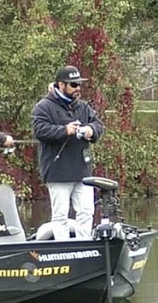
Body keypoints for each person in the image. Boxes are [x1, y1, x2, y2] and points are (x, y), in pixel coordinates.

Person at [32, 65, 105, 240]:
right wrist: (65, 130)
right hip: (57, 172)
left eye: (79, 84)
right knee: (60, 215)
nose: (77, 88)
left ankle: (84, 245)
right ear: (61, 85)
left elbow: (99, 125)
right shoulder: (43, 107)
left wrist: (90, 130)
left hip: (82, 170)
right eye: (73, 85)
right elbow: (39, 131)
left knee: (87, 211)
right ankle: (63, 248)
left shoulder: (83, 107)